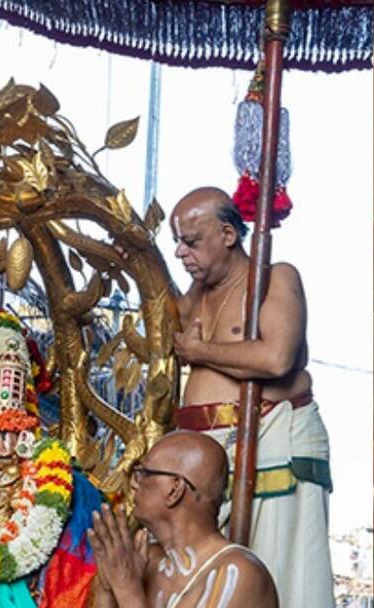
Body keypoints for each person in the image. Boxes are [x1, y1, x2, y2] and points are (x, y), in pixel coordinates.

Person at [167, 187, 332, 606]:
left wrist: (200, 352)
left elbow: (277, 359)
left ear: (227, 234)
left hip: (270, 439)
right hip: (202, 461)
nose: (180, 254)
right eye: (177, 242)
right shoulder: (194, 297)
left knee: (277, 573)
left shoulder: (277, 277)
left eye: (191, 241)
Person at [89, 431, 278, 608]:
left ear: (174, 489)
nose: (133, 483)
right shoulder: (147, 559)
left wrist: (127, 592)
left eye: (144, 473)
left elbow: (128, 593)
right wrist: (106, 589)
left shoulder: (238, 573)